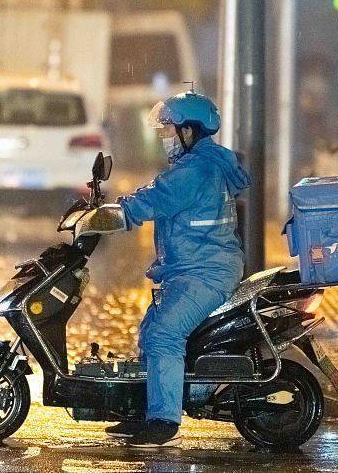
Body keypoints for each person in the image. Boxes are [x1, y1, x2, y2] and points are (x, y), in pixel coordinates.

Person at [108, 91, 250, 447]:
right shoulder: (203, 164)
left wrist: (117, 213)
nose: (165, 138)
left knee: (164, 335)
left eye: (169, 130)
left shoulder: (196, 169)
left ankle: (163, 421)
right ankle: (145, 410)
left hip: (205, 271)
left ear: (189, 130)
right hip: (194, 267)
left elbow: (157, 197)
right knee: (151, 331)